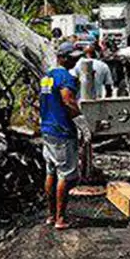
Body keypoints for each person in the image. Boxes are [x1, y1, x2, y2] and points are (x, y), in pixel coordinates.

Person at [39, 44, 83, 230]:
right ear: (62, 58)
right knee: (66, 175)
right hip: (62, 131)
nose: (75, 60)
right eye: (72, 57)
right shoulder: (65, 77)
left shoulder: (47, 77)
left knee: (51, 172)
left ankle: (51, 215)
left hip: (48, 130)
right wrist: (81, 122)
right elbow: (67, 100)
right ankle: (60, 218)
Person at [75, 40, 115, 178]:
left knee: (82, 138)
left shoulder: (77, 65)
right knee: (90, 136)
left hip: (79, 105)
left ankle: (84, 168)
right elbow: (109, 88)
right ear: (97, 52)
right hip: (96, 104)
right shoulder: (103, 66)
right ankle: (87, 168)